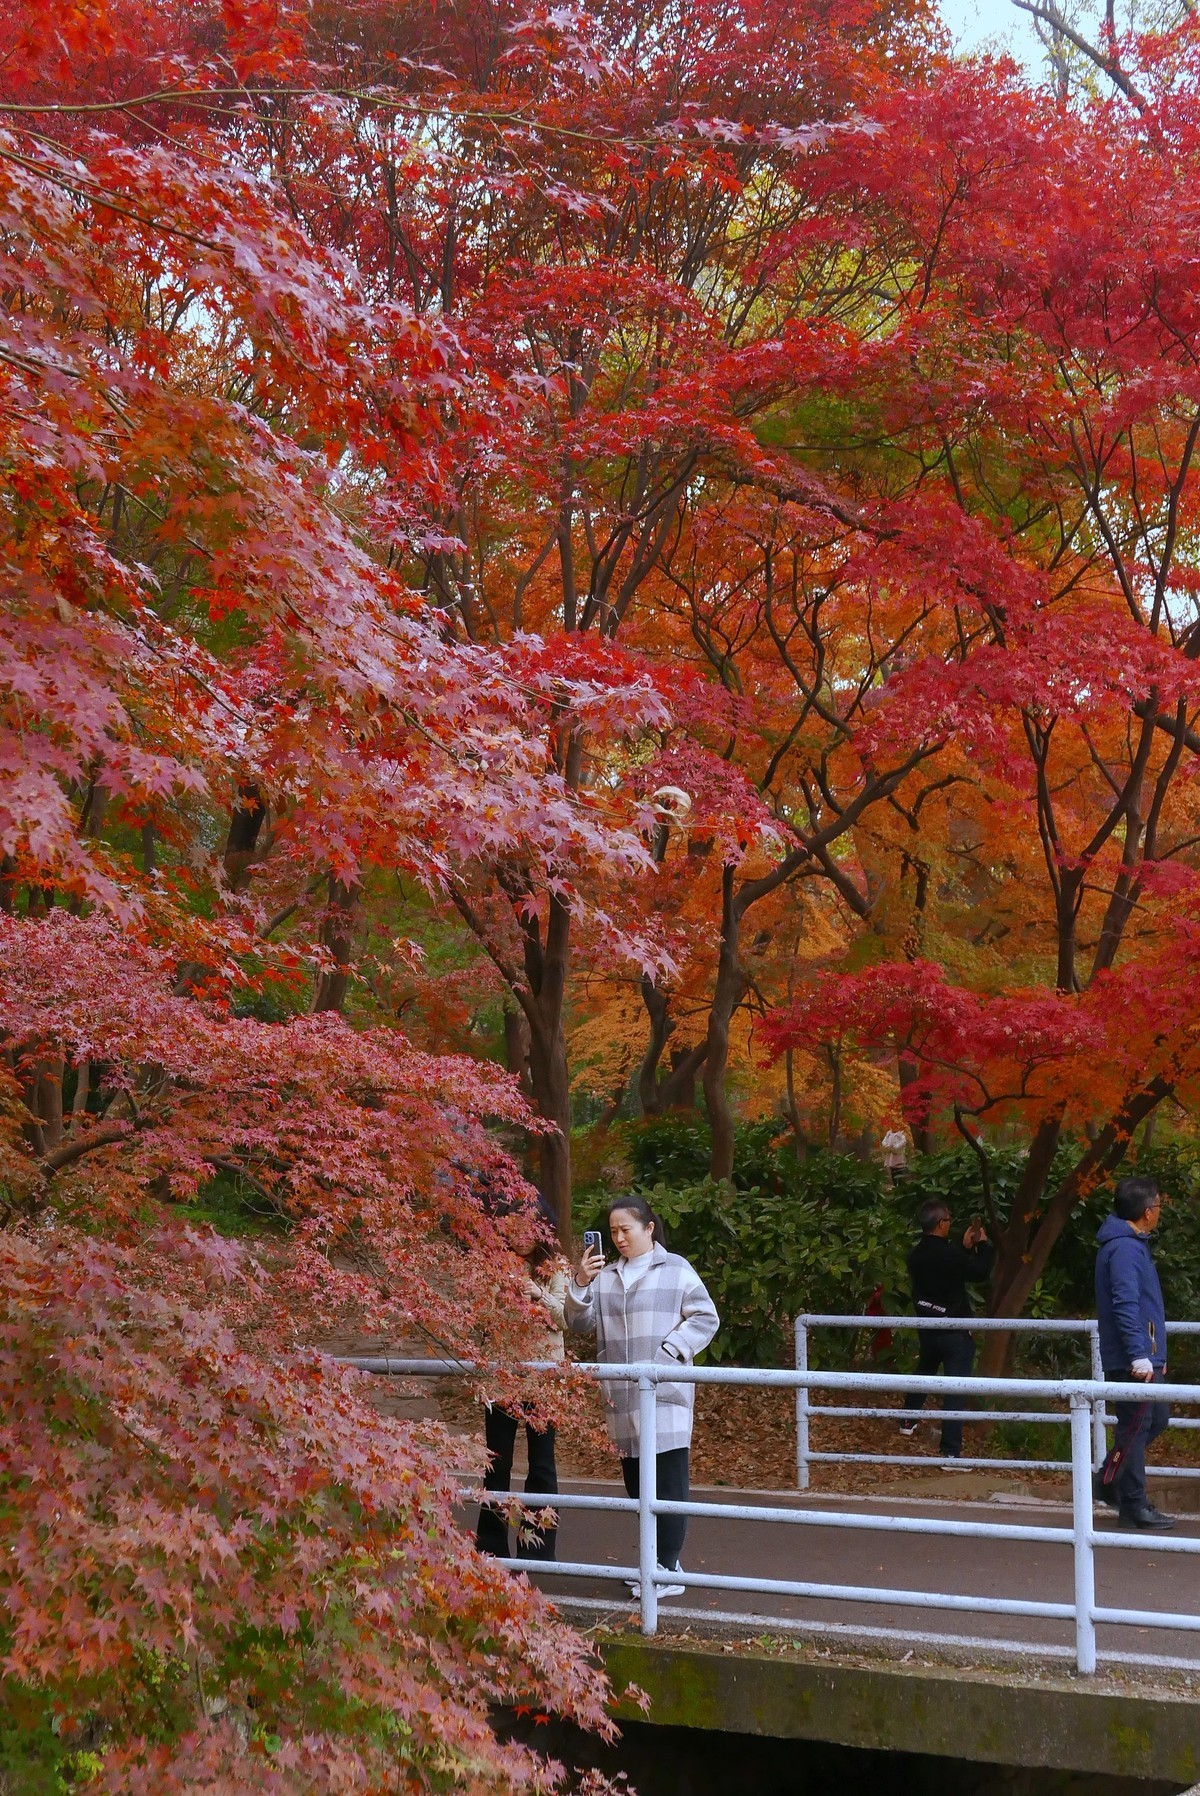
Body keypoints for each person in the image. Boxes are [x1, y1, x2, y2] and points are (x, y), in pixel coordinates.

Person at [565, 1195, 719, 1599]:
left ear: (649, 1228)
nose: (617, 1238)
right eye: (612, 1231)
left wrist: (669, 1352)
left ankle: (669, 1566)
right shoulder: (606, 1274)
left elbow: (706, 1316)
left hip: (665, 1391)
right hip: (621, 1394)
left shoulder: (676, 1269)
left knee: (668, 1479)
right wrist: (581, 1282)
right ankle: (655, 1563)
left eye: (625, 1230)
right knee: (636, 1483)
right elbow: (577, 1323)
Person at [475, 1238, 568, 1561]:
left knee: (542, 1464)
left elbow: (565, 1318)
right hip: (503, 1376)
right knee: (496, 1463)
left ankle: (538, 1549)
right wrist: (503, 1295)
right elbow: (481, 1318)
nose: (520, 1235)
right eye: (512, 1226)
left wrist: (539, 1295)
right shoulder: (494, 1266)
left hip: (543, 1379)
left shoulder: (557, 1267)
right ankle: (490, 1545)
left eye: (527, 1225)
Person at [1094, 1176, 1173, 1531]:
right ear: (1146, 1212)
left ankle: (1111, 1480)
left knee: (1152, 1420)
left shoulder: (1130, 1245)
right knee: (1137, 1425)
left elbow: (1142, 1306)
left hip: (1144, 1354)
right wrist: (1140, 1355)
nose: (1158, 1212)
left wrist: (1155, 1354)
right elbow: (1125, 1304)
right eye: (1157, 1206)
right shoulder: (1124, 1248)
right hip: (1133, 1359)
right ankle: (1131, 1501)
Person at [898, 1199, 995, 1457]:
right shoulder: (950, 1254)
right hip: (955, 1329)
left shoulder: (916, 1255)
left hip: (927, 1326)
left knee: (925, 1370)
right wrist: (982, 1245)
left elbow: (949, 1270)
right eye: (949, 1221)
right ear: (941, 1224)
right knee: (955, 1389)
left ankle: (907, 1420)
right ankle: (950, 1452)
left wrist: (962, 1249)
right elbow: (978, 1272)